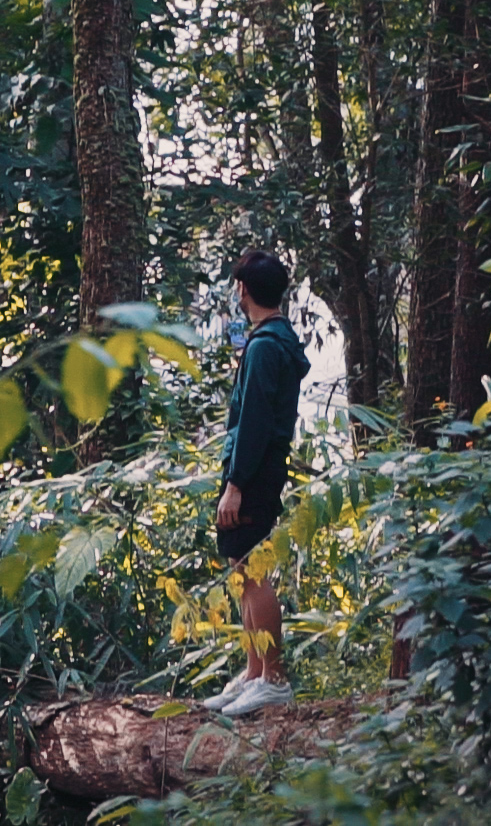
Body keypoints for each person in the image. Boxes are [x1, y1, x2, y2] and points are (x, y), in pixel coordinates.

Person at [200, 250, 310, 717]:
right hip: (258, 469)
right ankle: (254, 672)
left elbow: (254, 422)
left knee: (252, 570)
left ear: (243, 289)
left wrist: (236, 483)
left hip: (255, 472)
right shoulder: (274, 340)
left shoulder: (265, 347)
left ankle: (275, 678)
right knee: (243, 570)